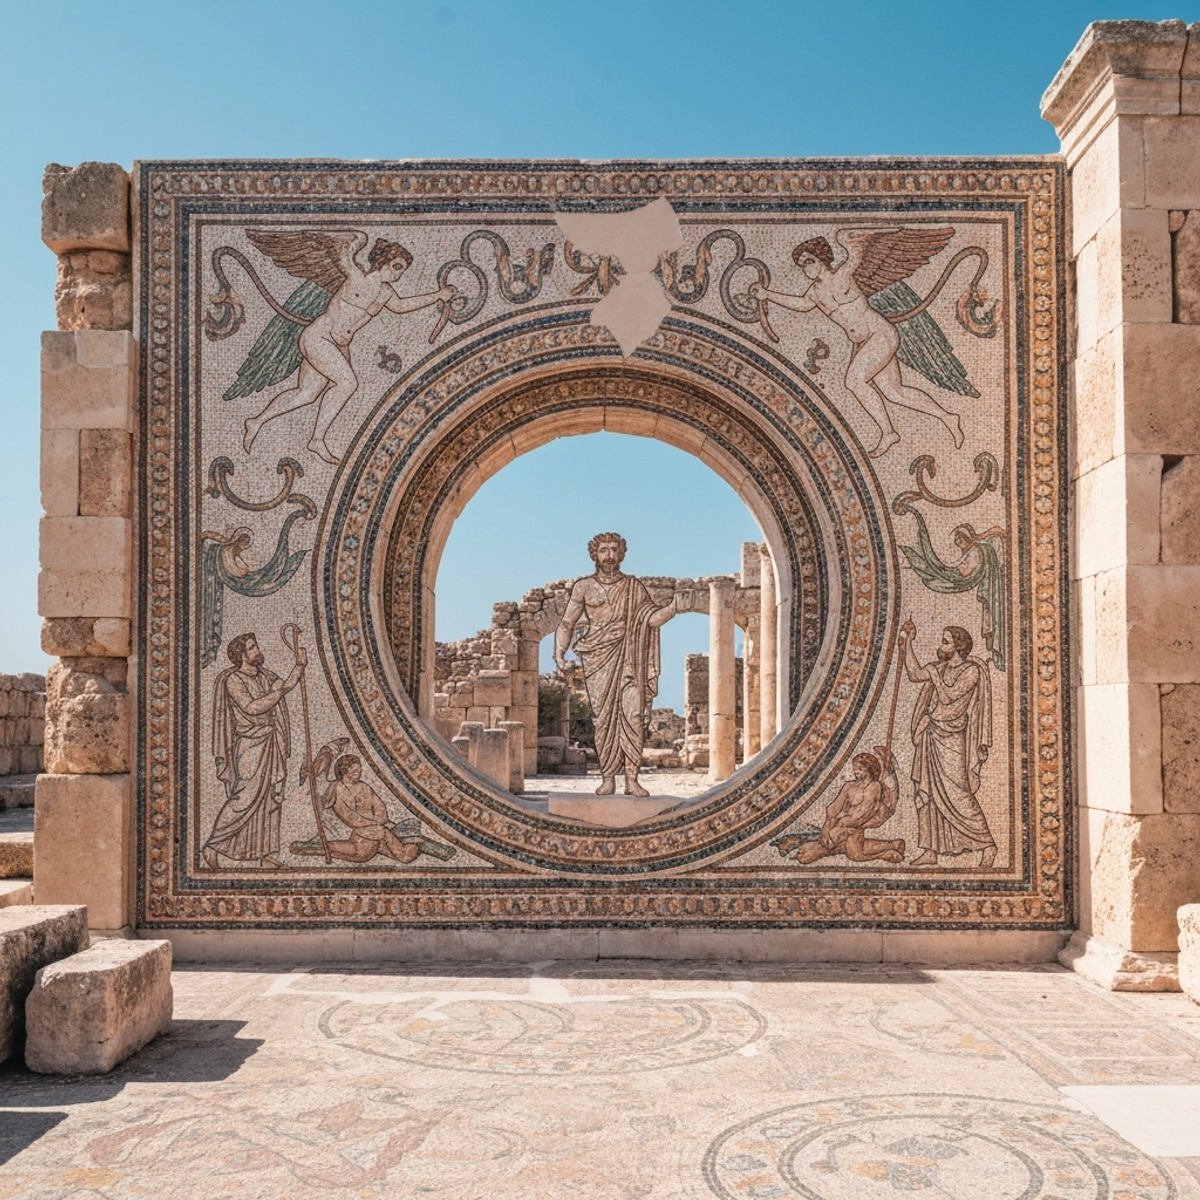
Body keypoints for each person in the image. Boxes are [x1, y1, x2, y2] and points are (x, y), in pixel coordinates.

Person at [242, 232, 455, 464]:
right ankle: (317, 440)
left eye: (401, 270)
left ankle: (256, 421)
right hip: (319, 337)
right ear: (383, 261)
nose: (398, 274)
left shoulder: (385, 293)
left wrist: (438, 296)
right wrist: (355, 241)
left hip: (338, 346)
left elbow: (402, 306)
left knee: (307, 394)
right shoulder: (355, 276)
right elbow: (341, 253)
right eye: (396, 266)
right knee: (347, 383)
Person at [751, 232, 964, 458]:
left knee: (854, 380)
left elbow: (856, 256)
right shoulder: (815, 292)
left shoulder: (843, 275)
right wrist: (767, 294)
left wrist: (850, 240)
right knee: (895, 393)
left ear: (821, 259)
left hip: (880, 335)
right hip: (864, 344)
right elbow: (802, 305)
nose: (805, 269)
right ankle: (948, 417)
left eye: (808, 262)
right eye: (801, 265)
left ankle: (889, 433)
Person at [554, 533, 677, 797]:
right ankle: (608, 777)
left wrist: (673, 608)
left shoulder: (634, 587)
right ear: (594, 555)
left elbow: (650, 619)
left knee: (633, 716)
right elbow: (567, 623)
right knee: (604, 720)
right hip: (598, 658)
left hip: (631, 658)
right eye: (603, 550)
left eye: (613, 550)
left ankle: (632, 780)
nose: (609, 555)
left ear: (621, 554)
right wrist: (559, 654)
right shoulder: (583, 587)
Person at [204, 632, 305, 869]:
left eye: (255, 646)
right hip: (249, 746)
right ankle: (211, 845)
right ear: (241, 654)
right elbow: (251, 708)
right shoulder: (234, 680)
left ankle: (263, 854)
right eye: (251, 647)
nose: (257, 650)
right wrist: (279, 692)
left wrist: (299, 666)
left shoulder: (266, 676)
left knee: (271, 798)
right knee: (243, 798)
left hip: (270, 743)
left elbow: (285, 685)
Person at [902, 621, 997, 867]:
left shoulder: (971, 671)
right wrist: (907, 643)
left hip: (953, 739)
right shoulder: (940, 668)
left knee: (959, 794)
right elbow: (914, 674)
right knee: (925, 795)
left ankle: (987, 845)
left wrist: (934, 674)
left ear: (958, 646)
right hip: (931, 735)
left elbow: (949, 695)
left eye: (945, 641)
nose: (941, 645)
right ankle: (930, 851)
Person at [773, 748, 905, 864]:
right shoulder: (849, 786)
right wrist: (827, 826)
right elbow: (834, 808)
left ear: (869, 769)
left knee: (854, 855)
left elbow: (866, 811)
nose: (856, 771)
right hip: (844, 825)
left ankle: (886, 853)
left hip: (853, 825)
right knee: (849, 849)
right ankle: (892, 845)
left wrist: (844, 823)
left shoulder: (874, 786)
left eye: (860, 768)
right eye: (855, 768)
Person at [291, 755, 429, 863]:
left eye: (360, 769)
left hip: (373, 836)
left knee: (404, 839)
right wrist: (375, 824)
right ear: (345, 770)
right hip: (361, 838)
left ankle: (415, 846)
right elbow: (349, 817)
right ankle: (304, 848)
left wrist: (379, 820)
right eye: (355, 770)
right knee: (331, 847)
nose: (359, 772)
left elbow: (380, 808)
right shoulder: (337, 788)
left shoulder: (364, 787)